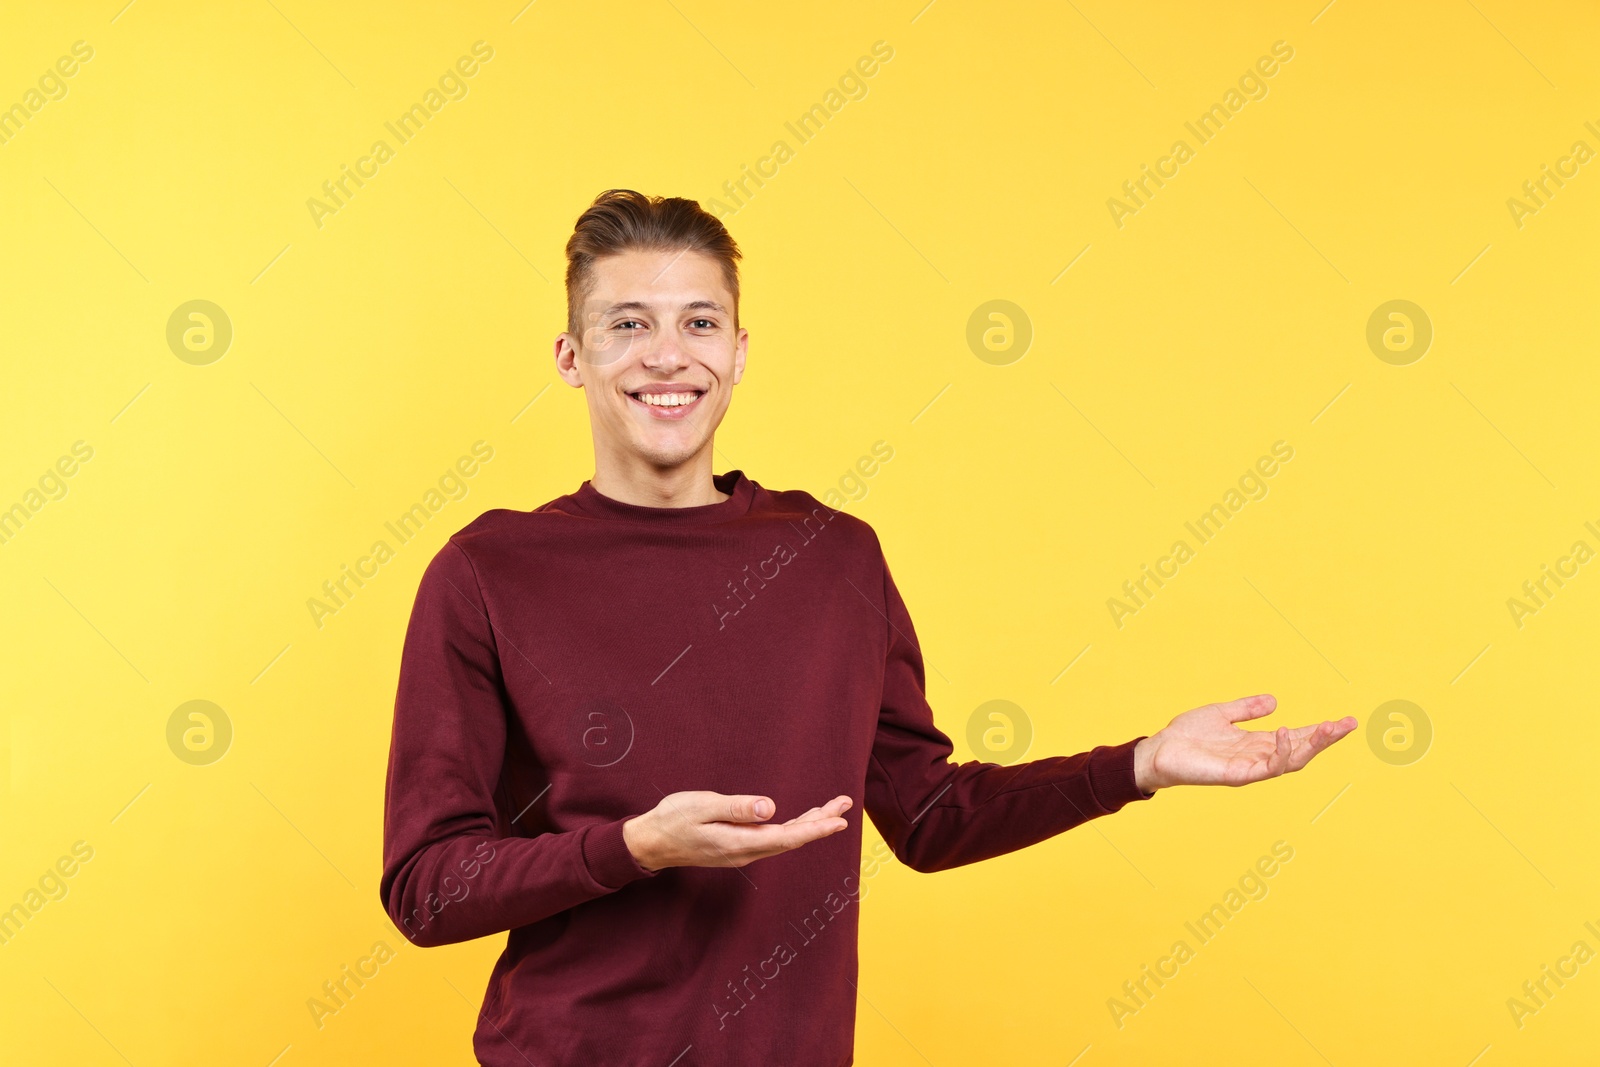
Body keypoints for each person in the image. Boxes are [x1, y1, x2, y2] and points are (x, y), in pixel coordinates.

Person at [379, 189, 1358, 1066]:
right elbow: (426, 886)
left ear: (739, 351)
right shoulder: (486, 572)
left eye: (698, 321)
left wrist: (1138, 763)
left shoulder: (832, 557)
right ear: (570, 357)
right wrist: (635, 845)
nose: (667, 353)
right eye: (627, 323)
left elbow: (928, 816)